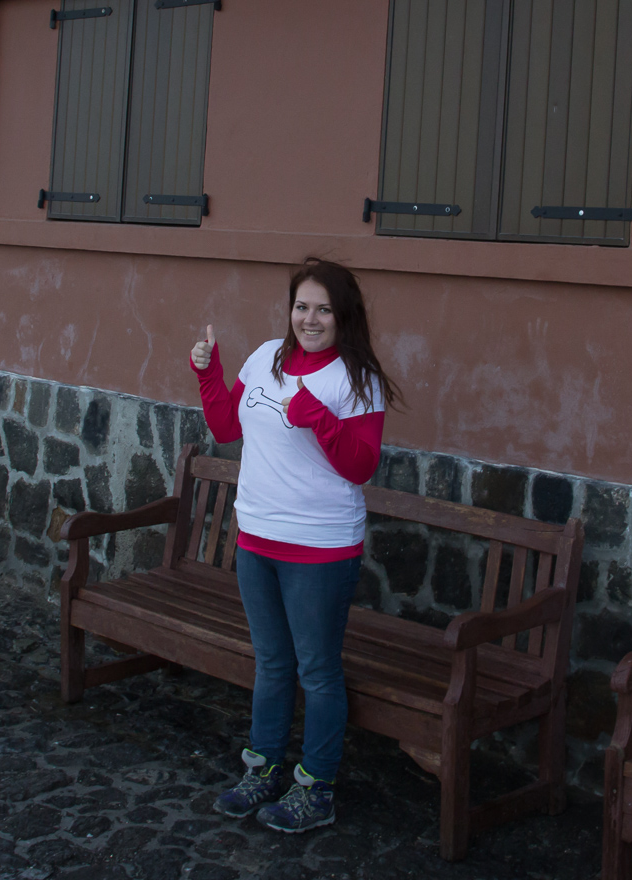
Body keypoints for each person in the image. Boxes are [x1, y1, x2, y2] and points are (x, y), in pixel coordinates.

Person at [188, 257, 400, 834]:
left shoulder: (357, 379)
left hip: (319, 548)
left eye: (323, 309)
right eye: (302, 307)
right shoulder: (265, 358)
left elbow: (361, 466)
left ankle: (316, 789)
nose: (310, 319)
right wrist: (208, 373)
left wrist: (321, 419)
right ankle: (262, 770)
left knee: (318, 671)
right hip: (256, 537)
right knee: (272, 663)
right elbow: (227, 428)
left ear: (343, 315)